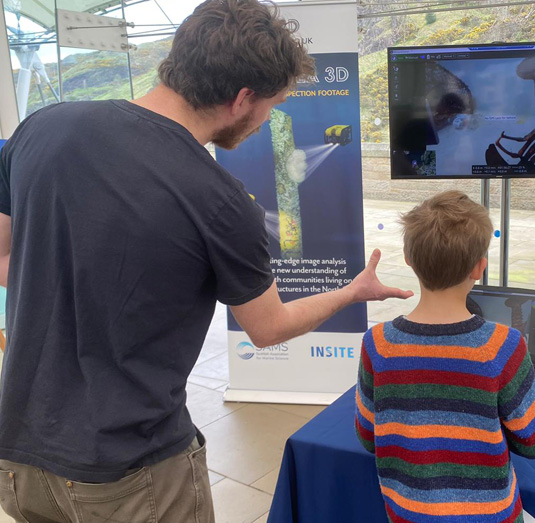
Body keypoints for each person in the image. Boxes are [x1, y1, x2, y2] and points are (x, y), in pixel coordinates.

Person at [0, 1, 411, 522]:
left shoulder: (41, 128)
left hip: (19, 457)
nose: (266, 123)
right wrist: (352, 293)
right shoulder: (221, 201)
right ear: (243, 98)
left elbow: (5, 255)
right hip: (129, 473)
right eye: (272, 106)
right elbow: (268, 328)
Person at [354, 191, 535, 523]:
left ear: (408, 259)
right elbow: (533, 442)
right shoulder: (503, 345)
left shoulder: (378, 343)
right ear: (479, 267)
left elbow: (367, 437)